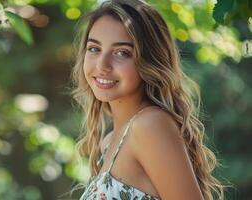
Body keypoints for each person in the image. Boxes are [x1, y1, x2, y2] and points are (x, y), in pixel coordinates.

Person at [69, 0, 227, 199]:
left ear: (149, 60)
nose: (102, 65)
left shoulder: (148, 126)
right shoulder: (108, 143)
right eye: (94, 49)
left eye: (122, 53)